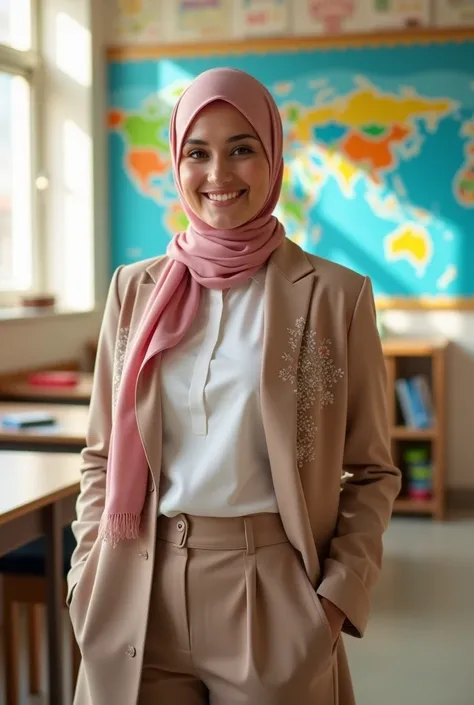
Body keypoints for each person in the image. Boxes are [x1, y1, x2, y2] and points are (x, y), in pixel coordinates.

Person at [67, 68, 401, 705]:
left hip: (272, 594)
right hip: (136, 585)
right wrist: (85, 576)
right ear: (177, 162)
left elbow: (372, 471)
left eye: (242, 148)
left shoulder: (336, 296)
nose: (218, 174)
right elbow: (103, 455)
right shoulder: (132, 290)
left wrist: (333, 603)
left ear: (273, 159)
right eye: (198, 152)